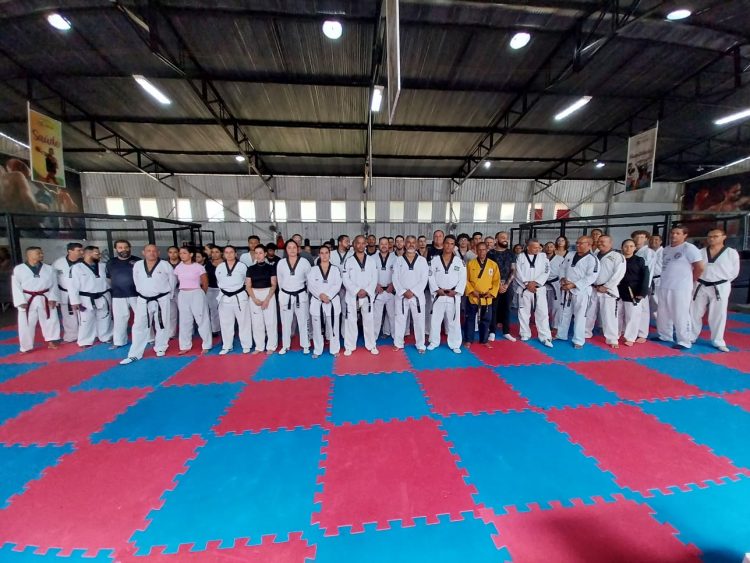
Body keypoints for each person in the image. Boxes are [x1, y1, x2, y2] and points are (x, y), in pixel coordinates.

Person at [120, 245, 176, 364]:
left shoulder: (165, 265)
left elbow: (172, 281)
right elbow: (136, 280)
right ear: (143, 252)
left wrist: (169, 296)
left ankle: (161, 347)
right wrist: (142, 291)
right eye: (149, 251)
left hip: (162, 298)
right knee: (139, 325)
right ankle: (135, 354)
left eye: (154, 251)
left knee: (162, 324)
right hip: (143, 299)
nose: (152, 253)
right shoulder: (138, 265)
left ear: (158, 252)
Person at [690, 229, 739, 352]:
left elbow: (734, 272)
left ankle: (718, 340)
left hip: (720, 285)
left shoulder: (731, 253)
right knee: (694, 312)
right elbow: (694, 268)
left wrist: (722, 281)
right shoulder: (701, 252)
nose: (711, 239)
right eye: (709, 236)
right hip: (701, 284)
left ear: (724, 237)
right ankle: (691, 336)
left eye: (715, 236)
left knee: (718, 314)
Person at [656, 225, 704, 349]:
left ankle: (684, 340)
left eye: (678, 233)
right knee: (663, 312)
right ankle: (665, 335)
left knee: (680, 313)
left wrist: (691, 280)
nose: (674, 235)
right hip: (665, 284)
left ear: (685, 235)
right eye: (672, 233)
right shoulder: (666, 249)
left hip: (681, 287)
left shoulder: (689, 248)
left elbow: (700, 267)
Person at [12, 247, 60, 353]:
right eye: (38, 253)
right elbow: (15, 286)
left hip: (45, 296)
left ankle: (51, 341)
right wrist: (21, 301)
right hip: (28, 298)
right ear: (29, 255)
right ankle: (26, 346)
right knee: (26, 322)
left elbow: (54, 284)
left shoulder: (49, 268)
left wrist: (53, 298)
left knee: (51, 319)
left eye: (41, 253)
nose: (42, 255)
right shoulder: (19, 269)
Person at [557, 236, 599, 348]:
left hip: (581, 291)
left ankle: (578, 340)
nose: (577, 245)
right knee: (564, 313)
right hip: (567, 289)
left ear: (589, 245)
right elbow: (562, 268)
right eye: (577, 242)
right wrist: (562, 279)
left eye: (581, 243)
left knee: (580, 316)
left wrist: (574, 284)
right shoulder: (570, 254)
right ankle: (561, 334)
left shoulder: (592, 259)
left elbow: (591, 277)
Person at [584, 235, 626, 348]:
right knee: (589, 312)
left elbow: (619, 274)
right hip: (593, 288)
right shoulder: (594, 255)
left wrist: (606, 286)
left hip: (608, 290)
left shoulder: (618, 256)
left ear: (610, 243)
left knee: (609, 315)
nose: (600, 243)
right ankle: (586, 332)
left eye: (603, 241)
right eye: (598, 241)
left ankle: (612, 339)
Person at [68, 246, 112, 347]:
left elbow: (108, 281)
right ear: (88, 254)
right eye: (97, 253)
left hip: (103, 295)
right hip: (85, 298)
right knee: (86, 320)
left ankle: (105, 336)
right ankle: (85, 340)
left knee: (105, 317)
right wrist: (75, 301)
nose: (99, 255)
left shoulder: (103, 266)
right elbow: (72, 285)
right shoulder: (76, 268)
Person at [428, 235, 466, 353]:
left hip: (453, 295)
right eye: (447, 243)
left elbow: (463, 278)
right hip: (439, 294)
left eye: (452, 244)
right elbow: (430, 276)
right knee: (435, 320)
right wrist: (436, 289)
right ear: (443, 244)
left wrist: (456, 291)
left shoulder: (459, 262)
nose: (449, 246)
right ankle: (434, 342)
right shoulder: (434, 260)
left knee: (454, 321)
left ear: (454, 246)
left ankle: (455, 344)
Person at [342, 235, 379, 356]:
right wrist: (356, 290)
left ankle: (371, 345)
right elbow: (345, 279)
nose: (361, 245)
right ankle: (349, 346)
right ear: (354, 244)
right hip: (353, 296)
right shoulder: (348, 261)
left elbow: (374, 278)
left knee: (369, 321)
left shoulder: (371, 261)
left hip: (367, 296)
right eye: (358, 243)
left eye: (363, 243)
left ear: (366, 245)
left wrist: (367, 291)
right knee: (351, 321)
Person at [514, 240, 554, 347]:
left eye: (539, 247)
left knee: (542, 313)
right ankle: (525, 333)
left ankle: (545, 336)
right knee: (523, 312)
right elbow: (517, 272)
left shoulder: (543, 257)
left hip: (538, 288)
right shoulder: (520, 257)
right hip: (525, 288)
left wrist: (536, 283)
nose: (538, 249)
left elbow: (546, 271)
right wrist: (527, 284)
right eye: (535, 247)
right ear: (528, 247)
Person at [393, 235, 429, 353]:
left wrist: (413, 291)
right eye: (408, 242)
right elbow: (395, 278)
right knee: (400, 320)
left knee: (419, 321)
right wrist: (403, 291)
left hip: (417, 296)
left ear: (417, 245)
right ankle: (398, 343)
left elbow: (424, 279)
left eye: (413, 242)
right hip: (402, 296)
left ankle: (420, 344)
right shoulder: (398, 260)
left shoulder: (422, 260)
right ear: (405, 244)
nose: (411, 244)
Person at [215, 245, 253, 355]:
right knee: (225, 323)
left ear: (236, 254)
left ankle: (246, 345)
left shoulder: (242, 266)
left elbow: (247, 281)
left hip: (240, 297)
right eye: (226, 252)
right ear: (223, 254)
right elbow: (219, 281)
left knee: (244, 322)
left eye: (231, 252)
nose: (229, 254)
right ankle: (227, 346)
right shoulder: (220, 267)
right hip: (224, 298)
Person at [174, 247, 212, 355]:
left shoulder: (198, 267)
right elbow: (176, 281)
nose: (181, 255)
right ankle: (185, 345)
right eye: (180, 253)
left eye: (184, 253)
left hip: (196, 293)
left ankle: (206, 344)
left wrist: (201, 294)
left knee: (201, 319)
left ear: (191, 254)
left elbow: (205, 283)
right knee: (184, 320)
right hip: (183, 293)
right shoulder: (178, 267)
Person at [277, 239, 311, 354]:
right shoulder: (281, 263)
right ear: (286, 250)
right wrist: (282, 295)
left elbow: (309, 280)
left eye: (294, 247)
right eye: (289, 247)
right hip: (286, 295)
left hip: (300, 295)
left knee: (303, 321)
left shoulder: (304, 262)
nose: (292, 250)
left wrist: (306, 293)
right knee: (286, 322)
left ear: (298, 249)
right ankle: (285, 345)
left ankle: (306, 345)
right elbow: (280, 281)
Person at [307, 245, 342, 358]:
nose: (324, 255)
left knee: (334, 327)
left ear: (329, 254)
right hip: (317, 302)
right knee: (317, 328)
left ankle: (334, 349)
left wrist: (328, 296)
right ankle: (317, 350)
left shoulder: (335, 269)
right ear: (319, 255)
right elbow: (310, 285)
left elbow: (338, 284)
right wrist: (320, 295)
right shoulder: (313, 270)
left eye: (326, 253)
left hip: (332, 301)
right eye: (322, 253)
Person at [463, 241, 500, 348]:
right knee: (470, 319)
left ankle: (484, 340)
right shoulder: (470, 264)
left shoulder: (493, 265)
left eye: (484, 250)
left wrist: (491, 293)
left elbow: (496, 281)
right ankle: (468, 340)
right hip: (473, 296)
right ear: (476, 251)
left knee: (486, 320)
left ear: (487, 250)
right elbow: (465, 279)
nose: (482, 252)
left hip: (487, 297)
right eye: (479, 250)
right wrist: (471, 291)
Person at [106, 239, 141, 349]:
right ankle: (119, 341)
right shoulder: (111, 262)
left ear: (130, 248)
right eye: (120, 248)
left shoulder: (138, 261)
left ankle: (148, 338)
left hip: (136, 293)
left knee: (142, 317)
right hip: (118, 294)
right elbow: (108, 279)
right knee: (119, 319)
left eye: (126, 247)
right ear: (116, 249)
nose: (123, 249)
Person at [246, 244, 278, 354]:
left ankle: (271, 346)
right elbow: (248, 286)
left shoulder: (271, 267)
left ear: (265, 254)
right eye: (256, 253)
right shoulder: (250, 268)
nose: (258, 255)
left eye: (260, 253)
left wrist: (267, 299)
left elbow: (274, 284)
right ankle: (259, 346)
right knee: (257, 323)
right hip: (254, 294)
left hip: (268, 294)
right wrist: (254, 298)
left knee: (270, 322)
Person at [618, 239, 650, 347]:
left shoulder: (639, 260)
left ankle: (630, 337)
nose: (628, 248)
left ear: (635, 248)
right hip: (618, 290)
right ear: (622, 247)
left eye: (631, 246)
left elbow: (645, 276)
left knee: (632, 316)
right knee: (618, 314)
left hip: (633, 291)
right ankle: (617, 333)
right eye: (626, 246)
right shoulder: (619, 259)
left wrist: (642, 292)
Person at [52, 242, 83, 343]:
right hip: (65, 293)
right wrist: (54, 296)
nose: (81, 252)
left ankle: (85, 335)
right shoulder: (58, 263)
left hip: (82, 293)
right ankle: (71, 336)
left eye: (82, 250)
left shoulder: (84, 262)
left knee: (84, 316)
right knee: (68, 316)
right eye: (78, 250)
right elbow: (53, 280)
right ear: (70, 251)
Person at [491, 231, 516, 342]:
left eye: (506, 238)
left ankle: (506, 332)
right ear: (496, 240)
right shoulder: (490, 253)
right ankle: (492, 331)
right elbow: (489, 271)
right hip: (493, 285)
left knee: (507, 308)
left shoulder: (511, 253)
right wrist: (497, 285)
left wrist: (506, 285)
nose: (505, 239)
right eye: (502, 237)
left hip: (507, 285)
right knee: (493, 308)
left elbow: (513, 270)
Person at [632, 230, 656, 343]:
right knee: (632, 309)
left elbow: (648, 272)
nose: (639, 239)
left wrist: (644, 287)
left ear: (646, 239)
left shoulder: (649, 252)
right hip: (630, 284)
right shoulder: (631, 250)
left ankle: (642, 333)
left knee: (643, 309)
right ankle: (631, 331)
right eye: (637, 237)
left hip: (642, 284)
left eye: (642, 237)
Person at [373, 237, 397, 339]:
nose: (383, 246)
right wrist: (375, 285)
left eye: (385, 244)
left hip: (390, 290)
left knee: (393, 315)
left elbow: (398, 274)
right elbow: (369, 274)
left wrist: (393, 285)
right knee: (376, 316)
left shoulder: (395, 258)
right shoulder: (372, 258)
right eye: (381, 244)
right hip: (378, 290)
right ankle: (373, 337)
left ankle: (396, 337)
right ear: (378, 245)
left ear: (389, 245)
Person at [543, 241, 564, 333]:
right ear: (544, 248)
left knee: (556, 306)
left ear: (554, 248)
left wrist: (563, 282)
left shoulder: (560, 259)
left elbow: (563, 271)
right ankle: (544, 324)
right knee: (543, 306)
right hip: (543, 283)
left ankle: (555, 325)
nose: (549, 248)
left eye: (551, 246)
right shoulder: (541, 258)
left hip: (555, 284)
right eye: (547, 246)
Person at [205, 245, 222, 334]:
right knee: (213, 310)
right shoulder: (208, 264)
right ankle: (215, 329)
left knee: (225, 310)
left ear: (221, 253)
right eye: (212, 252)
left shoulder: (226, 263)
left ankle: (226, 329)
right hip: (211, 289)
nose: (214, 254)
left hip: (223, 290)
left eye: (217, 252)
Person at [166, 246, 180, 338]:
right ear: (168, 253)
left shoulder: (183, 263)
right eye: (170, 252)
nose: (173, 254)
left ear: (178, 253)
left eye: (175, 252)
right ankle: (171, 333)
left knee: (184, 312)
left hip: (181, 290)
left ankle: (187, 331)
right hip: (168, 290)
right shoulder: (164, 264)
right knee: (171, 313)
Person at [649, 234, 663, 315]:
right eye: (651, 240)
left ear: (661, 241)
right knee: (650, 304)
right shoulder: (647, 252)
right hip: (649, 280)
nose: (653, 241)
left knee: (659, 303)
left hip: (660, 280)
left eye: (656, 240)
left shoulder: (664, 252)